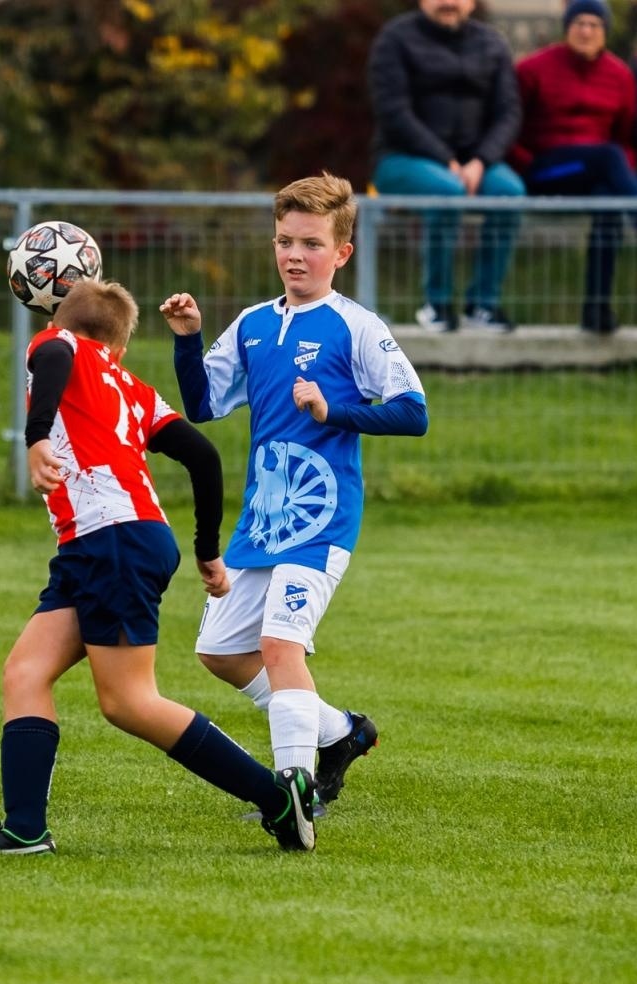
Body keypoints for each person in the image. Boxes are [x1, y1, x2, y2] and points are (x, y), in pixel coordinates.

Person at [0, 278, 318, 857]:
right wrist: (207, 550)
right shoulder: (133, 388)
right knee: (24, 673)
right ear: (121, 348)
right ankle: (25, 830)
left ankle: (277, 799)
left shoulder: (58, 344)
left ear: (59, 324)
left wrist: (35, 438)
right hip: (106, 542)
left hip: (114, 541)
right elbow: (203, 455)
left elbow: (54, 355)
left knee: (129, 701)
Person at [158, 173, 428, 814]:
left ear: (342, 253)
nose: (295, 256)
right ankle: (340, 733)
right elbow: (202, 404)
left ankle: (293, 793)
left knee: (280, 646)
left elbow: (413, 412)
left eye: (311, 244)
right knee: (220, 650)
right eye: (285, 241)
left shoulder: (356, 326)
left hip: (322, 519)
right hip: (263, 519)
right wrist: (188, 338)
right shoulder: (253, 324)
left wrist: (335, 411)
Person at [368, 0, 523, 333]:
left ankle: (483, 304)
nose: (449, 3)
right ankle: (436, 303)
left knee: (510, 192)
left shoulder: (492, 43)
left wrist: (481, 160)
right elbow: (393, 112)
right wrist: (445, 159)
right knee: (446, 190)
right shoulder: (395, 39)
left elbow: (508, 112)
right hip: (402, 159)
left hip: (475, 162)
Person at [510, 0, 637, 335]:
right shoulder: (533, 68)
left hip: (596, 172)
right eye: (578, 23)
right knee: (609, 157)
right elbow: (510, 124)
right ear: (566, 28)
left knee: (609, 200)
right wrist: (524, 163)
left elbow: (625, 135)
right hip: (544, 170)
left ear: (605, 32)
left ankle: (597, 310)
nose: (586, 31)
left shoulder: (620, 76)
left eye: (594, 24)